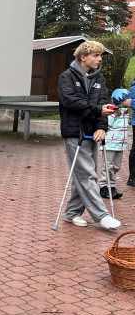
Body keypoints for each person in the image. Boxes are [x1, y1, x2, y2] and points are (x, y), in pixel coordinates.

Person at [58, 41, 120, 230]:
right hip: (73, 132)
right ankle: (102, 216)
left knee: (82, 174)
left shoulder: (99, 79)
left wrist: (102, 127)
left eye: (100, 55)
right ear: (83, 57)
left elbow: (103, 104)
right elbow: (69, 100)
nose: (100, 59)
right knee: (87, 174)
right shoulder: (66, 76)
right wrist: (97, 110)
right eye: (96, 55)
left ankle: (72, 213)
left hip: (93, 133)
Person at [100, 88, 131, 200]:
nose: (130, 100)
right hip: (110, 144)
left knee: (116, 166)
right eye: (128, 98)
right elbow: (105, 126)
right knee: (107, 165)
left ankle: (112, 186)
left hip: (120, 145)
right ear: (121, 100)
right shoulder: (113, 113)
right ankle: (104, 187)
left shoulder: (125, 113)